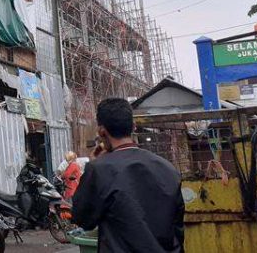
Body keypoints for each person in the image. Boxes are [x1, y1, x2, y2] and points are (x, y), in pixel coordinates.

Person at [72, 98, 185, 252]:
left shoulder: (99, 170)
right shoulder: (168, 169)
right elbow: (177, 229)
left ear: (101, 131)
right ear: (133, 126)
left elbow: (83, 219)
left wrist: (95, 166)